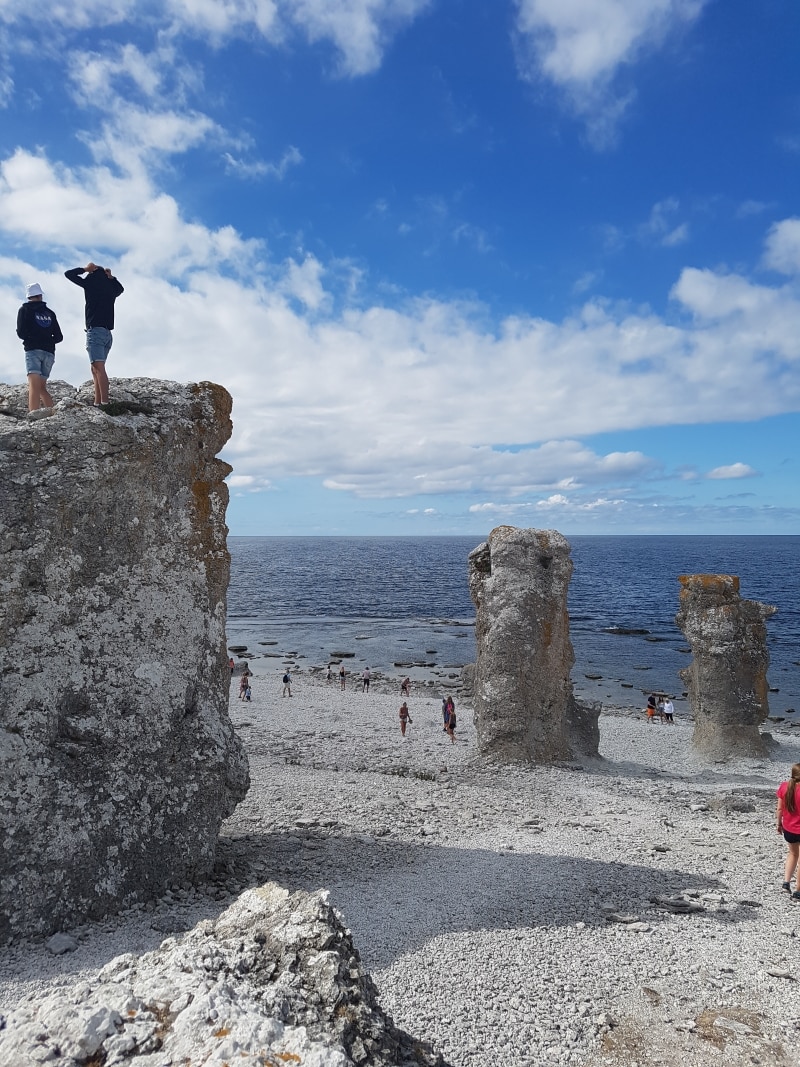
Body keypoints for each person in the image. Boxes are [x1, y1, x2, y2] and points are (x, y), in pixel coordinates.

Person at [64, 262, 124, 405]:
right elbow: (120, 289)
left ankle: (104, 402)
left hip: (95, 331)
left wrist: (85, 269)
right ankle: (97, 402)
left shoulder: (90, 283)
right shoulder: (110, 288)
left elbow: (69, 274)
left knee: (98, 368)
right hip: (107, 334)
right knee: (95, 368)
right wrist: (111, 278)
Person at [17, 282, 63, 417]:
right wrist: (47, 341)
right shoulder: (50, 313)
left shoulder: (24, 310)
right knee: (42, 387)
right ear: (40, 295)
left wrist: (32, 339)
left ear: (29, 296)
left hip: (33, 350)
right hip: (49, 353)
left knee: (34, 386)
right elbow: (59, 336)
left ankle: (33, 416)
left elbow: (21, 333)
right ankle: (54, 416)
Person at [776, 763, 800, 898]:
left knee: (792, 854)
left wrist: (779, 824)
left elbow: (779, 809)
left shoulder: (785, 786)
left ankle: (786, 883)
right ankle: (798, 891)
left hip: (789, 829)